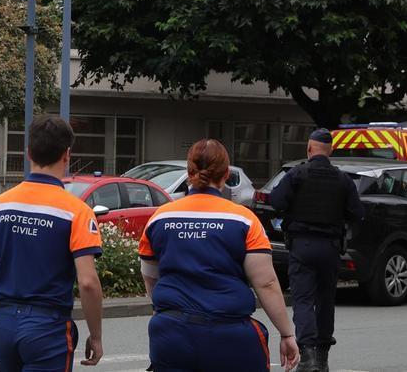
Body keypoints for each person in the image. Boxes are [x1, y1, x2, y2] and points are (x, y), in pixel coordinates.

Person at [0, 116, 104, 372]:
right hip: (49, 328)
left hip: (3, 324)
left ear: (28, 153)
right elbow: (88, 282)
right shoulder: (77, 213)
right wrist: (96, 335)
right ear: (67, 155)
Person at [139, 139, 299, 372]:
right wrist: (287, 334)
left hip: (170, 334)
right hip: (229, 335)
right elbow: (266, 282)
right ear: (226, 175)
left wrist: (166, 311)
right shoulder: (244, 219)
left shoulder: (159, 218)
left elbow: (151, 277)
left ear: (188, 173)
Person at [268, 128, 364, 372]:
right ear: (330, 150)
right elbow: (357, 214)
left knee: (303, 299)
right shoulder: (342, 179)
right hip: (330, 247)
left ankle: (308, 355)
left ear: (309, 149)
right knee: (325, 301)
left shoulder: (297, 174)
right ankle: (322, 358)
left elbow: (276, 202)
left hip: (302, 245)